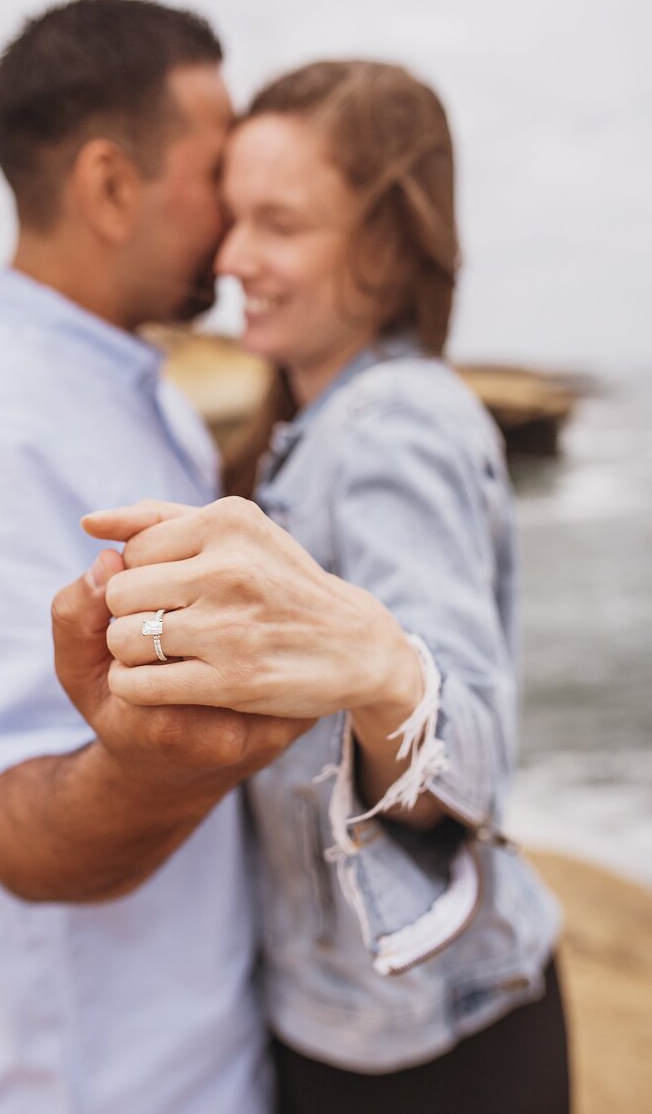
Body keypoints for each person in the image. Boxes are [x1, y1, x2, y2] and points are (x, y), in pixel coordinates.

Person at [71, 61, 571, 1113]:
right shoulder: (297, 429)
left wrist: (382, 670)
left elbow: (468, 749)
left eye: (280, 224)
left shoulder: (393, 421)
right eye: (234, 217)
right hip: (333, 1015)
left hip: (430, 1038)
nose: (234, 256)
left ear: (388, 245)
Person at [0, 0, 320, 1114]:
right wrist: (178, 755)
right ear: (111, 185)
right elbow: (13, 835)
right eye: (216, 172)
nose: (234, 221)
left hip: (216, 1045)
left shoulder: (144, 394)